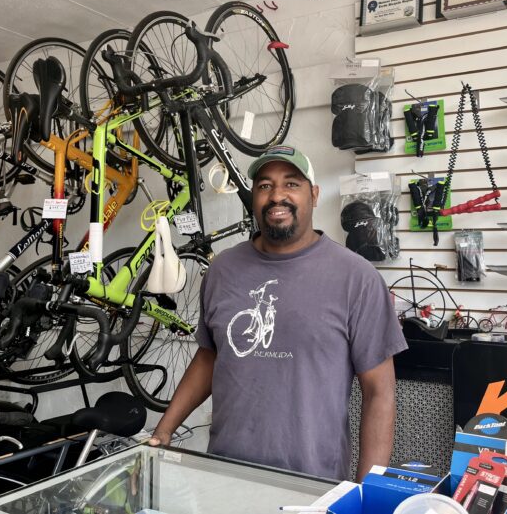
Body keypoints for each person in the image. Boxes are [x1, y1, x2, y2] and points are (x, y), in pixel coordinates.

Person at [149, 145, 407, 480]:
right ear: (254, 197)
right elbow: (210, 356)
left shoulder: (356, 278)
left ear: (314, 195)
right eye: (265, 185)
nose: (277, 196)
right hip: (226, 475)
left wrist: (365, 494)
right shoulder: (222, 270)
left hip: (313, 486)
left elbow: (380, 393)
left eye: (292, 184)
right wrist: (165, 429)